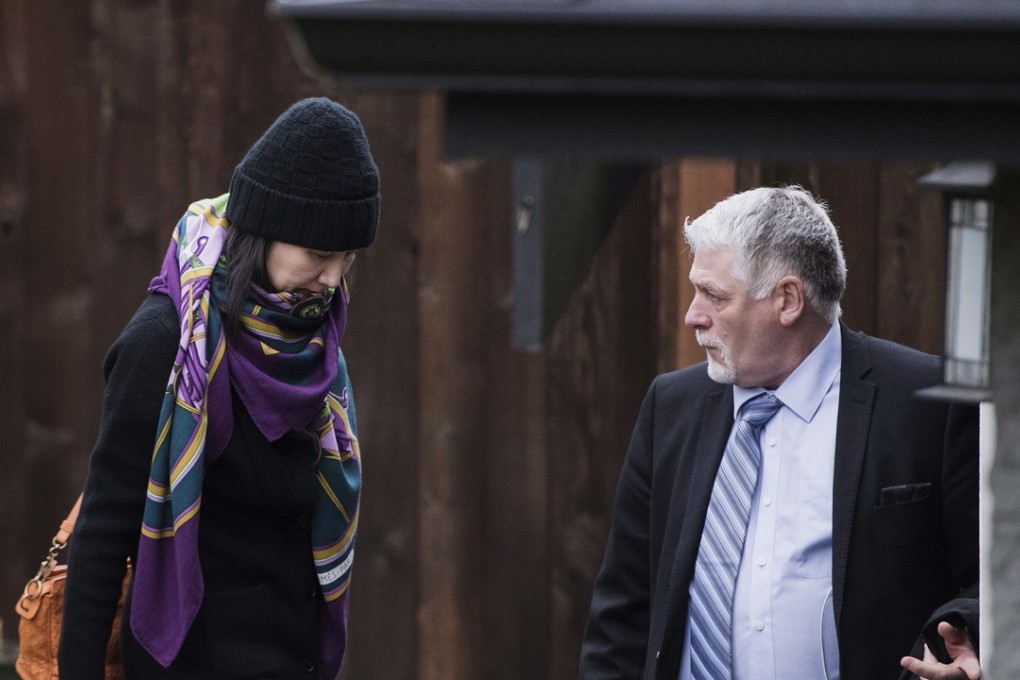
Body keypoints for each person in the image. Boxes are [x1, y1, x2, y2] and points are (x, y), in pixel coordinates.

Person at [578, 187, 978, 680]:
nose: (693, 316)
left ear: (788, 300)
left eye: (715, 296)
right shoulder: (672, 406)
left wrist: (972, 640)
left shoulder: (930, 401)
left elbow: (992, 580)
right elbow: (622, 616)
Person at [58, 97, 380, 679]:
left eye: (349, 257)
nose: (334, 279)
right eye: (320, 254)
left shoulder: (311, 341)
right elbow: (101, 540)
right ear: (266, 231)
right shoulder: (165, 343)